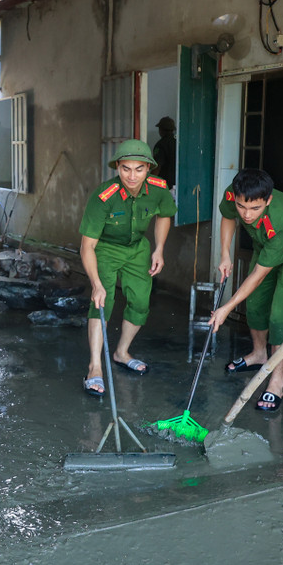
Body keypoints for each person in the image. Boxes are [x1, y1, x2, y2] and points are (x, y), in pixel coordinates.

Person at [210, 169, 283, 411]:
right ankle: (259, 354)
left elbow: (258, 276)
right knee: (255, 304)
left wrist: (226, 307)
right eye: (242, 207)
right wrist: (225, 254)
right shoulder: (233, 195)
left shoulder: (282, 218)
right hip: (264, 246)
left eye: (255, 209)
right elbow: (228, 217)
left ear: (268, 200)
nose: (246, 215)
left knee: (280, 314)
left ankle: (276, 381)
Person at [79, 139, 177, 396]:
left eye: (139, 169)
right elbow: (87, 246)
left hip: (138, 249)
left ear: (148, 169)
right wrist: (96, 284)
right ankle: (95, 367)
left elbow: (165, 214)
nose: (132, 176)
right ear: (118, 167)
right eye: (126, 169)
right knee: (103, 302)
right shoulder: (103, 197)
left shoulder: (158, 189)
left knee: (141, 303)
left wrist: (159, 248)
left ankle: (122, 352)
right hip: (106, 250)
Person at [152, 116, 177, 189]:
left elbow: (157, 167)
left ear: (161, 130)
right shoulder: (178, 143)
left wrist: (148, 181)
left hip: (163, 184)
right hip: (176, 184)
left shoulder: (161, 145)